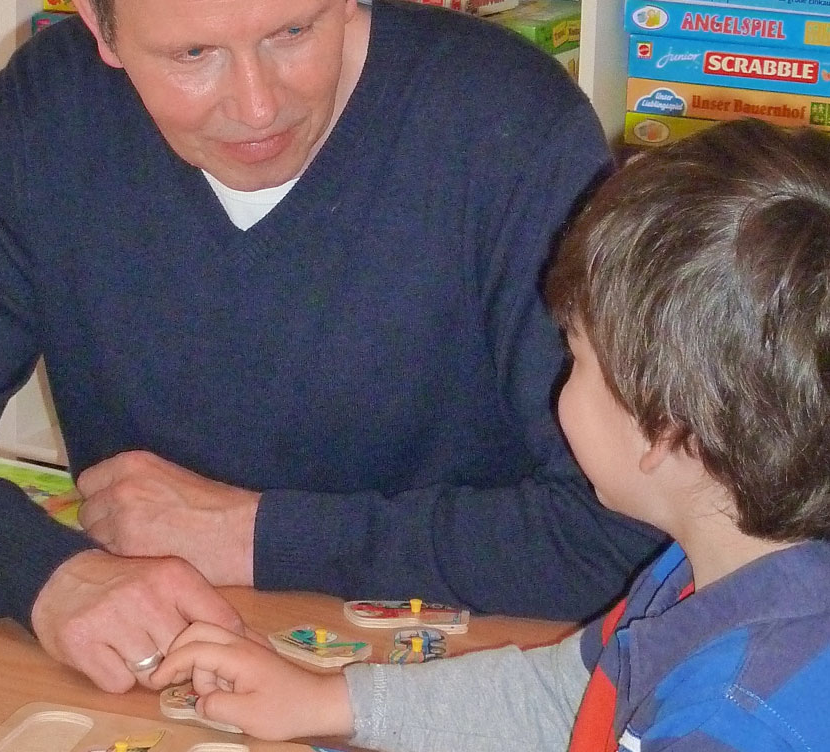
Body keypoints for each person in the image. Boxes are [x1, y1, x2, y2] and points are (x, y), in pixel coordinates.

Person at [0, 0, 663, 694]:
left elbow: (629, 532)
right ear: (93, 13)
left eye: (293, 32)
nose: (256, 107)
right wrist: (49, 578)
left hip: (457, 678)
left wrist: (257, 536)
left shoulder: (507, 126)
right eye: (192, 54)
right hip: (168, 681)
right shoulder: (47, 114)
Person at [148, 119, 830, 750]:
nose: (558, 385)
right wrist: (329, 702)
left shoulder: (734, 721)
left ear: (665, 431)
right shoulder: (710, 571)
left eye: (575, 358)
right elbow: (567, 700)